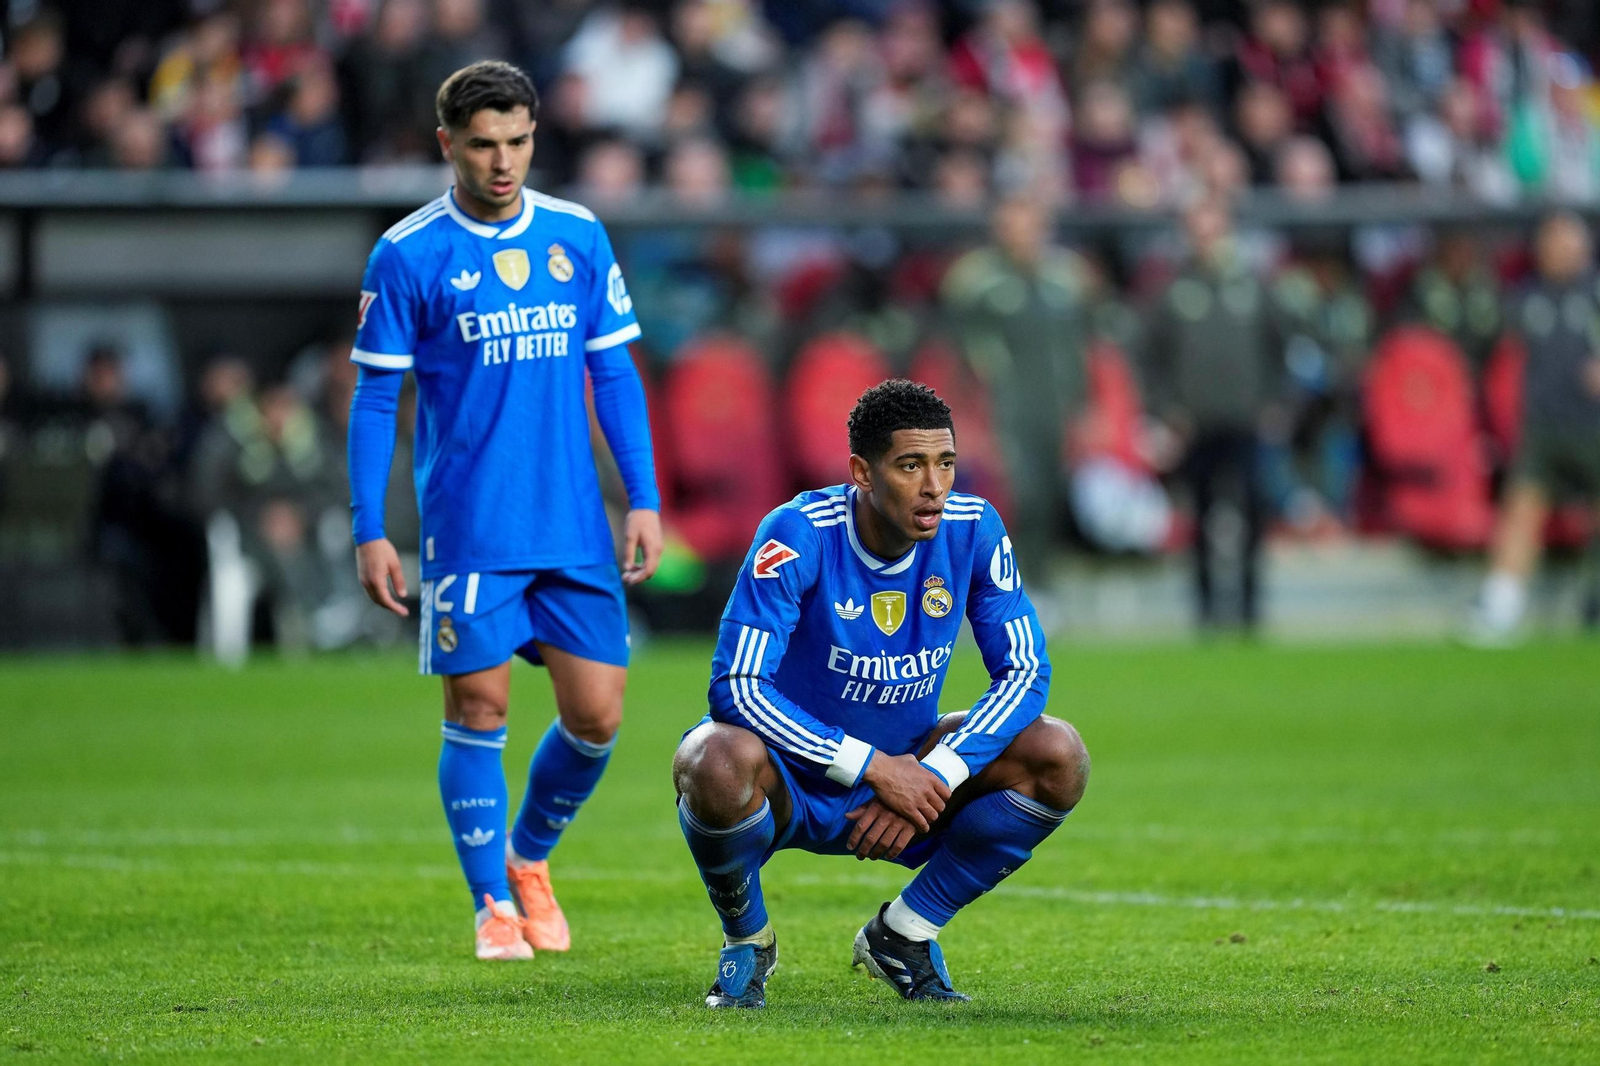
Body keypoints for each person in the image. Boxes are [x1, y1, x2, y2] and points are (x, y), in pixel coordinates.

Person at [346, 61, 663, 961]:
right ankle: (492, 906)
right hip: (471, 524)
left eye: (517, 142)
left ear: (534, 137)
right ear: (447, 144)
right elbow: (377, 403)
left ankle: (528, 859)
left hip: (571, 522)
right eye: (482, 145)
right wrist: (370, 525)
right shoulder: (408, 254)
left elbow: (613, 373)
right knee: (479, 708)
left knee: (598, 715)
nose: (502, 162)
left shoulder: (578, 234)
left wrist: (641, 497)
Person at [672, 381, 1090, 1007]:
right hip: (796, 777)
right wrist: (871, 768)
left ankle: (905, 933)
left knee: (1058, 752)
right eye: (910, 465)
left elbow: (1025, 671)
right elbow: (736, 686)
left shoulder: (974, 530)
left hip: (916, 778)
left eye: (946, 463)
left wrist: (934, 774)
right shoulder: (797, 534)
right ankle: (748, 941)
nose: (934, 486)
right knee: (712, 758)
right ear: (862, 473)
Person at [1143, 197, 1286, 629]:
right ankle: (1206, 613)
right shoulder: (1174, 291)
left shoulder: (1254, 286)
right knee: (1201, 519)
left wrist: (1276, 402)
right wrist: (1168, 409)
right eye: (1197, 227)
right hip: (1195, 427)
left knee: (1252, 516)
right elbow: (1151, 360)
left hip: (1245, 423)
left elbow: (1279, 349)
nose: (1205, 237)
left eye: (1212, 226)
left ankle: (1249, 611)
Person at [1470, 212, 1600, 642]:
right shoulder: (1526, 299)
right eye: (1550, 241)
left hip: (1593, 427)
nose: (1557, 249)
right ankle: (1501, 611)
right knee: (1521, 513)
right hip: (1543, 429)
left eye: (1566, 240)